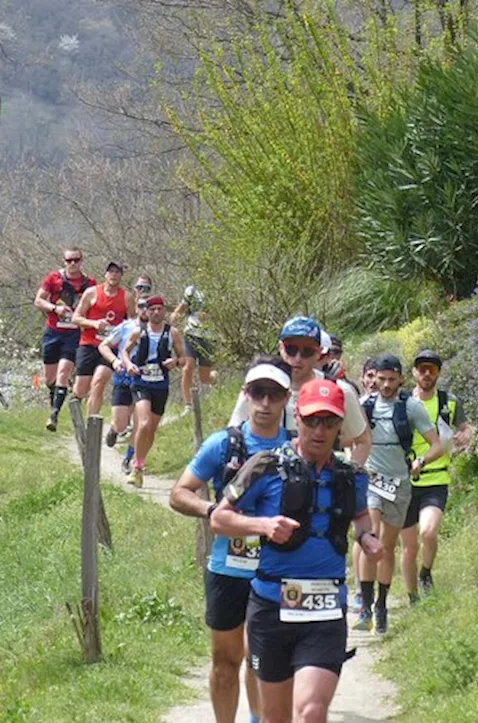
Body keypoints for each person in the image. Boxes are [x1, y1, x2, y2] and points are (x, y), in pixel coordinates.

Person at [210, 379, 383, 723]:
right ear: (297, 418)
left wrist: (368, 538)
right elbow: (219, 518)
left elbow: (361, 517)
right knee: (275, 718)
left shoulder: (352, 476)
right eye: (312, 420)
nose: (320, 430)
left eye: (330, 422)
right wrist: (262, 526)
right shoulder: (264, 465)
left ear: (340, 426)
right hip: (271, 607)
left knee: (310, 712)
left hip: (325, 610)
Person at [169, 356, 292, 723]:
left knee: (262, 659)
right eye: (258, 392)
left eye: (274, 394)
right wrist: (213, 513)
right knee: (225, 662)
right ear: (246, 394)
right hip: (227, 569)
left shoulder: (298, 448)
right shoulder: (224, 444)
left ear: (287, 398)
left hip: (278, 569)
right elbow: (179, 493)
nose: (265, 402)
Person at [354, 353, 445, 634]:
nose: (385, 385)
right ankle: (366, 608)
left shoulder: (411, 408)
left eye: (391, 380)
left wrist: (422, 462)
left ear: (401, 380)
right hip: (371, 479)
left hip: (400, 483)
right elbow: (350, 437)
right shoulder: (363, 406)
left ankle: (381, 603)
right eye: (381, 379)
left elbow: (437, 444)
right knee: (372, 541)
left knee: (387, 546)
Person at [228, 317, 371, 461]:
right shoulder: (258, 387)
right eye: (291, 349)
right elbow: (233, 435)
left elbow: (362, 440)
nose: (297, 358)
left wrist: (349, 478)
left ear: (319, 353)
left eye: (307, 351)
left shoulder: (338, 390)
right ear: (281, 348)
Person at [400, 349, 475, 597]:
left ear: (439, 373)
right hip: (406, 483)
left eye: (432, 369)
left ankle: (426, 572)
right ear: (414, 372)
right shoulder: (403, 404)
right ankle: (411, 596)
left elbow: (465, 428)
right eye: (422, 369)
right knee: (408, 547)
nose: (426, 373)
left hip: (436, 479)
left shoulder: (449, 402)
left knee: (429, 532)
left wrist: (465, 436)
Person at [121, 295, 184, 488]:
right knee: (144, 423)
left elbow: (184, 359)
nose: (156, 312)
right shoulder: (138, 332)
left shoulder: (172, 333)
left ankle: (140, 461)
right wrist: (129, 364)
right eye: (152, 309)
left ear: (164, 311)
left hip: (160, 385)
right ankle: (137, 467)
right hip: (141, 382)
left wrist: (175, 362)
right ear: (147, 312)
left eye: (159, 309)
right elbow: (124, 352)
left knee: (151, 430)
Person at [35, 248, 94, 431]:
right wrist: (54, 308)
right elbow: (38, 300)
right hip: (53, 332)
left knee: (64, 372)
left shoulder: (89, 283)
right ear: (64, 261)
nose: (73, 264)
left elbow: (95, 305)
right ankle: (56, 393)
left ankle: (54, 414)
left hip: (74, 334)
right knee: (50, 378)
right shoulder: (54, 278)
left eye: (76, 260)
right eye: (69, 260)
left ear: (81, 261)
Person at [98, 275, 152, 464]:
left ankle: (129, 460)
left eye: (149, 307)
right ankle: (114, 430)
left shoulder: (160, 329)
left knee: (140, 424)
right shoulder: (125, 326)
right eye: (141, 306)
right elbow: (103, 346)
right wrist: (114, 361)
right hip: (123, 378)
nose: (145, 310)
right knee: (121, 424)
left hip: (145, 381)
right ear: (136, 308)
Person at [71, 261, 129, 419]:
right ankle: (77, 418)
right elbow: (76, 318)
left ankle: (92, 422)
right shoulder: (91, 293)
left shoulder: (126, 297)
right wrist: (94, 323)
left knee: (99, 381)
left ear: (121, 276)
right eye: (111, 272)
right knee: (80, 389)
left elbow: (132, 323)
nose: (114, 275)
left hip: (110, 347)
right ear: (105, 274)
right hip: (89, 344)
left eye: (117, 272)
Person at [173, 285, 216, 415]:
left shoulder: (218, 289)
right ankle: (188, 404)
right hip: (191, 333)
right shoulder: (191, 290)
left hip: (209, 336)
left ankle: (214, 378)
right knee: (188, 367)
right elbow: (182, 307)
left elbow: (224, 315)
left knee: (204, 377)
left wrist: (210, 316)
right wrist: (175, 315)